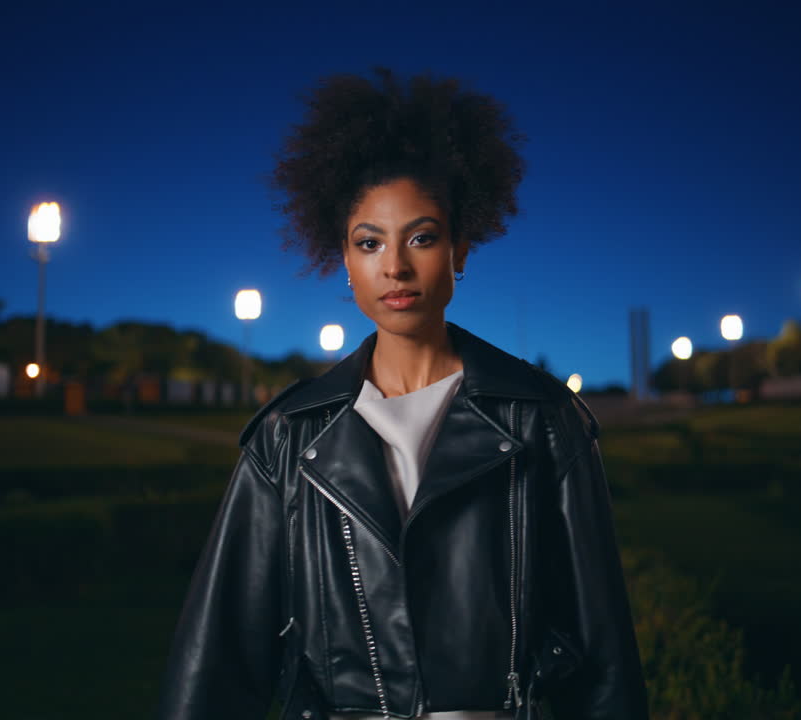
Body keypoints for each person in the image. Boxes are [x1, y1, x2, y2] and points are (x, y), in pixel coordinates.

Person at [156, 66, 649, 720]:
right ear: (345, 261)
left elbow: (606, 657)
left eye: (421, 236)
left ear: (460, 249)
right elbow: (217, 664)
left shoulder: (545, 420)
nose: (395, 266)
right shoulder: (288, 436)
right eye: (369, 243)